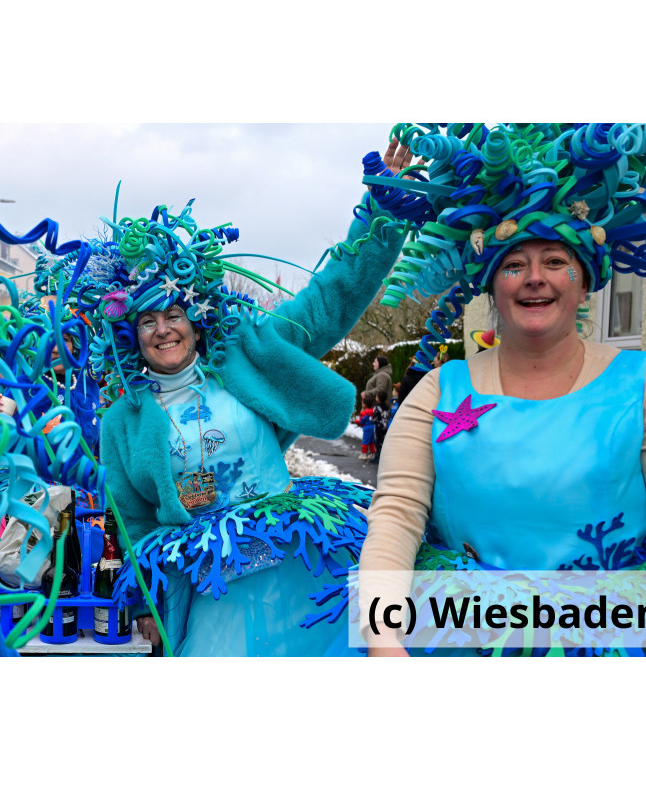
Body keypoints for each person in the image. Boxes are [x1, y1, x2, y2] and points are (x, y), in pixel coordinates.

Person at [357, 122, 646, 657]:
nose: (534, 277)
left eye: (555, 261)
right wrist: (383, 642)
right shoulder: (436, 393)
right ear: (492, 284)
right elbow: (396, 517)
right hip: (459, 644)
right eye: (514, 264)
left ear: (583, 279)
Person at [19, 138, 413, 656]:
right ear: (131, 333)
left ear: (195, 321)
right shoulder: (123, 420)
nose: (163, 330)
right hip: (211, 595)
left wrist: (380, 214)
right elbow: (134, 521)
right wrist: (145, 605)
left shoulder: (246, 360)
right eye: (147, 320)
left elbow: (328, 302)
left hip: (298, 570)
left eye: (173, 315)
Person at [370, 389, 391, 463]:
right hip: (385, 425)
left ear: (378, 398)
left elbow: (375, 418)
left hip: (378, 426)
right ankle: (383, 456)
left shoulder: (376, 407)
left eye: (376, 396)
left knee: (377, 441)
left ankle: (377, 456)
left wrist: (371, 418)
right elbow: (388, 415)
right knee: (383, 441)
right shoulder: (387, 407)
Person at [357, 392, 376, 461]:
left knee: (365, 441)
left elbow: (362, 422)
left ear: (365, 404)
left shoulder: (363, 412)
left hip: (366, 428)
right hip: (373, 427)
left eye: (362, 403)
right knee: (371, 441)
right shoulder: (373, 410)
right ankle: (373, 453)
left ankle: (364, 454)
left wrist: (357, 421)